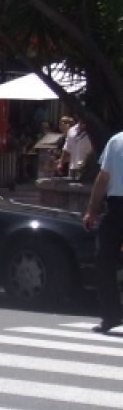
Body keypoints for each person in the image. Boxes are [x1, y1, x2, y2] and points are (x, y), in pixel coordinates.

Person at [84, 125, 123, 333]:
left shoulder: (116, 140)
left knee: (104, 261)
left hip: (117, 207)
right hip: (116, 205)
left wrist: (91, 210)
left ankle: (111, 316)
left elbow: (103, 177)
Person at [59, 115, 93, 179]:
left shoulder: (93, 132)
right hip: (73, 166)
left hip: (85, 168)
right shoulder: (72, 130)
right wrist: (60, 163)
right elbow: (67, 148)